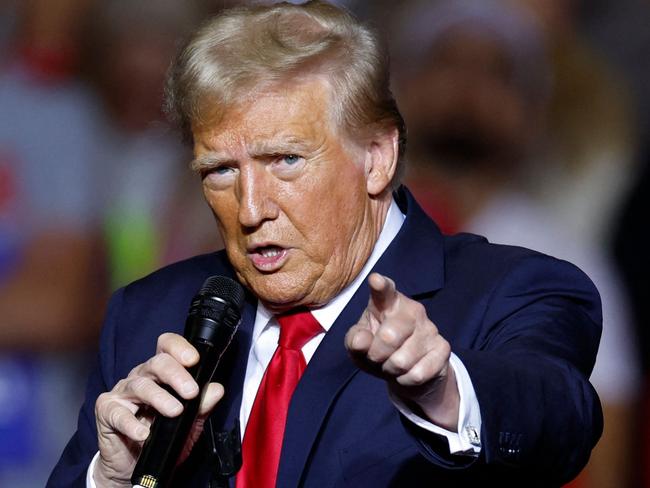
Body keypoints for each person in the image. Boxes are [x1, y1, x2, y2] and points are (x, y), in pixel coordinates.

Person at [48, 1, 602, 487]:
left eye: (285, 160)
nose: (250, 208)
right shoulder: (148, 316)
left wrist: (444, 389)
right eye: (219, 170)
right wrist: (116, 479)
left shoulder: (510, 292)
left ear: (377, 157)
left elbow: (560, 419)